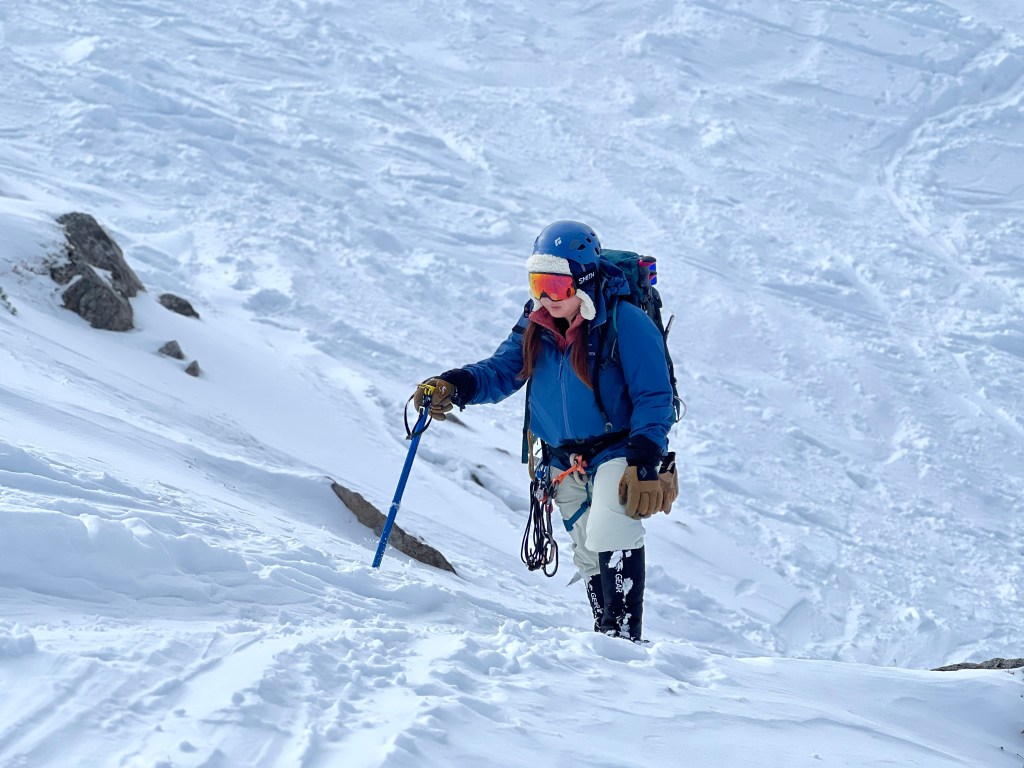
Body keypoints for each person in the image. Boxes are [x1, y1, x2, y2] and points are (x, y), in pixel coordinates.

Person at [414, 220, 677, 642]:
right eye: (538, 282)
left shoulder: (625, 322)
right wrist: (455, 384)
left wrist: (645, 459)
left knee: (613, 528)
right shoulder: (536, 323)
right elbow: (503, 370)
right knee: (588, 549)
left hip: (620, 448)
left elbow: (654, 395)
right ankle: (605, 635)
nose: (546, 296)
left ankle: (625, 638)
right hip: (561, 459)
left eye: (557, 285)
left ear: (584, 280)